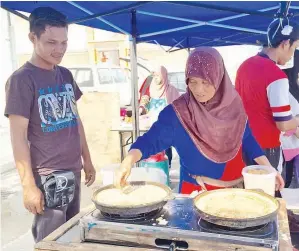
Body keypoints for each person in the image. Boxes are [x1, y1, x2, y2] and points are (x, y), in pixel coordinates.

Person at [114, 47, 284, 194]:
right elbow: (150, 141)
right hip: (195, 193)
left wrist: (269, 169)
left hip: (235, 192)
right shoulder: (177, 114)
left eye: (206, 82)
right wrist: (128, 160)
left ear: (219, 78)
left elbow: (247, 139)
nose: (199, 90)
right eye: (193, 82)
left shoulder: (234, 107)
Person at [4, 7, 96, 242]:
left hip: (73, 169)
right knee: (50, 241)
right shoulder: (21, 80)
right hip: (49, 176)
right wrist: (28, 187)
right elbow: (18, 137)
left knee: (72, 235)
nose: (60, 50)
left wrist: (87, 159)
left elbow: (76, 120)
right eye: (51, 42)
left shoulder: (65, 74)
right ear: (32, 38)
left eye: (64, 42)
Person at [235, 19, 299, 174]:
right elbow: (283, 124)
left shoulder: (244, 66)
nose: (292, 55)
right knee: (266, 193)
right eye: (294, 48)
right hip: (266, 147)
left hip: (242, 143)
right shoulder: (276, 75)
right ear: (285, 44)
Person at [139, 66, 180, 170]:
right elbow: (145, 102)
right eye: (155, 75)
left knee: (166, 148)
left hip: (166, 126)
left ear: (164, 76)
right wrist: (142, 108)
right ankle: (153, 168)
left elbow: (179, 108)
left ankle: (166, 167)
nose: (156, 78)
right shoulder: (150, 89)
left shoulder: (171, 90)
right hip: (151, 125)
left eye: (158, 75)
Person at [282, 50, 299, 188]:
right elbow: (284, 123)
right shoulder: (286, 92)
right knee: (285, 182)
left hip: (292, 147)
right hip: (286, 146)